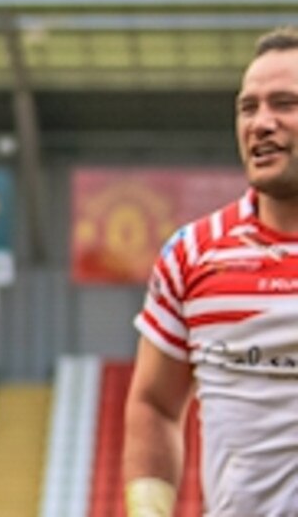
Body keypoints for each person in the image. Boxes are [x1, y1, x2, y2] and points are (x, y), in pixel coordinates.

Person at [122, 26, 298, 517]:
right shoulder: (192, 253)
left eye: (285, 104)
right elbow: (154, 404)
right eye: (248, 107)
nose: (261, 123)